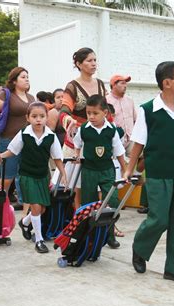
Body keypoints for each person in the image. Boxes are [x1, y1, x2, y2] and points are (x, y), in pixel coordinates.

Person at [123, 61, 174, 285]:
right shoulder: (148, 110)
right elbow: (139, 142)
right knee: (158, 219)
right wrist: (129, 169)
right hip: (156, 175)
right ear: (167, 83)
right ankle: (139, 248)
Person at [0, 102, 67, 253]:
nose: (38, 119)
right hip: (27, 175)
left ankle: (24, 222)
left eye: (42, 116)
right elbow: (12, 150)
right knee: (36, 207)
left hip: (43, 176)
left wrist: (63, 173)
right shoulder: (24, 133)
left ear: (46, 118)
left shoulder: (51, 136)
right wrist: (0, 156)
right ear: (28, 118)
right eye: (34, 116)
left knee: (42, 209)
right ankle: (39, 240)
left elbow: (57, 157)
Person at [73, 94, 126, 249]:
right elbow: (77, 144)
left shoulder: (111, 130)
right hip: (89, 171)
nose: (91, 117)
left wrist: (124, 169)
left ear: (105, 113)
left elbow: (119, 151)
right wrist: (77, 154)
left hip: (107, 170)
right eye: (88, 113)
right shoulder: (84, 129)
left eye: (95, 113)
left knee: (112, 201)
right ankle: (89, 236)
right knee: (89, 203)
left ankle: (109, 235)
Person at [60, 47, 107, 209]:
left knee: (102, 183)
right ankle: (79, 220)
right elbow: (64, 110)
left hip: (99, 140)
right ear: (79, 64)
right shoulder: (72, 86)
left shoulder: (101, 84)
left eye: (95, 60)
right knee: (77, 186)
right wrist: (69, 120)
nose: (94, 64)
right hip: (77, 140)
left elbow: (106, 111)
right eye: (89, 61)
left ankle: (101, 221)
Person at [0, 67, 35, 211]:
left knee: (24, 176)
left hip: (26, 142)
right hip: (8, 141)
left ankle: (25, 207)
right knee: (7, 177)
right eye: (22, 77)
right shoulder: (5, 94)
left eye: (27, 76)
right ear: (14, 80)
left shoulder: (31, 98)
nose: (26, 79)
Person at [106, 74, 136, 154]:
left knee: (142, 157)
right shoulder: (105, 101)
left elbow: (135, 119)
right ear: (113, 85)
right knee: (118, 164)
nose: (125, 85)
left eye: (126, 83)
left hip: (131, 138)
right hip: (115, 139)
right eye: (122, 83)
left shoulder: (130, 100)